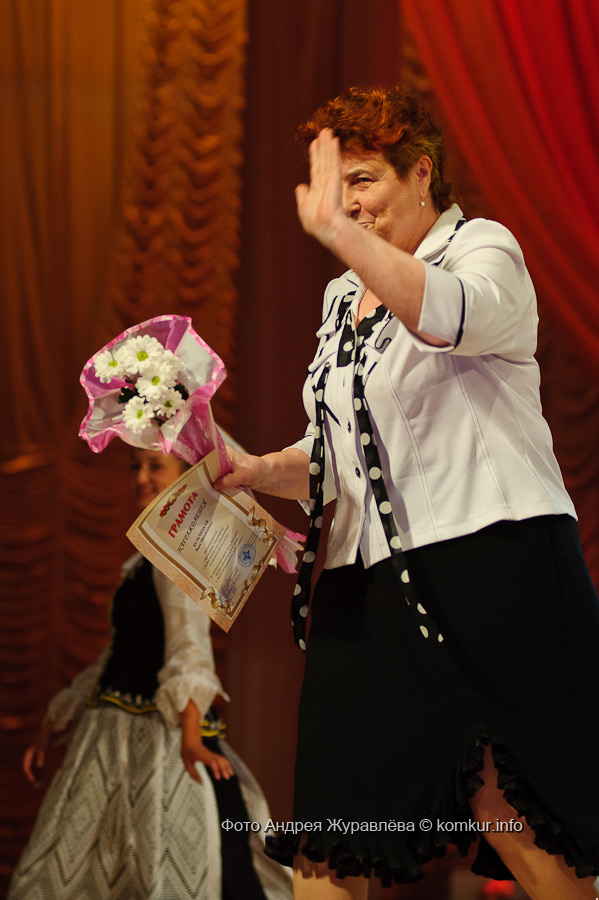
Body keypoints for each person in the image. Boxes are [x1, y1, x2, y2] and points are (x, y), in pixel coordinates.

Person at [215, 87, 599, 900]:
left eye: (363, 180)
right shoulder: (338, 298)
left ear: (420, 173)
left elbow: (443, 316)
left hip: (489, 565)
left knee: (511, 806)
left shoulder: (481, 249)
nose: (348, 202)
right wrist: (254, 469)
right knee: (335, 822)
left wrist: (339, 234)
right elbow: (334, 454)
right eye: (338, 185)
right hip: (363, 586)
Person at [9, 448, 293, 900]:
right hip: (114, 735)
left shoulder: (176, 557)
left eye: (154, 466)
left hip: (156, 739)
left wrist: (191, 739)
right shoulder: (149, 556)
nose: (141, 477)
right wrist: (55, 723)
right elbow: (119, 654)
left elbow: (189, 648)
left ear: (184, 479)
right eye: (134, 467)